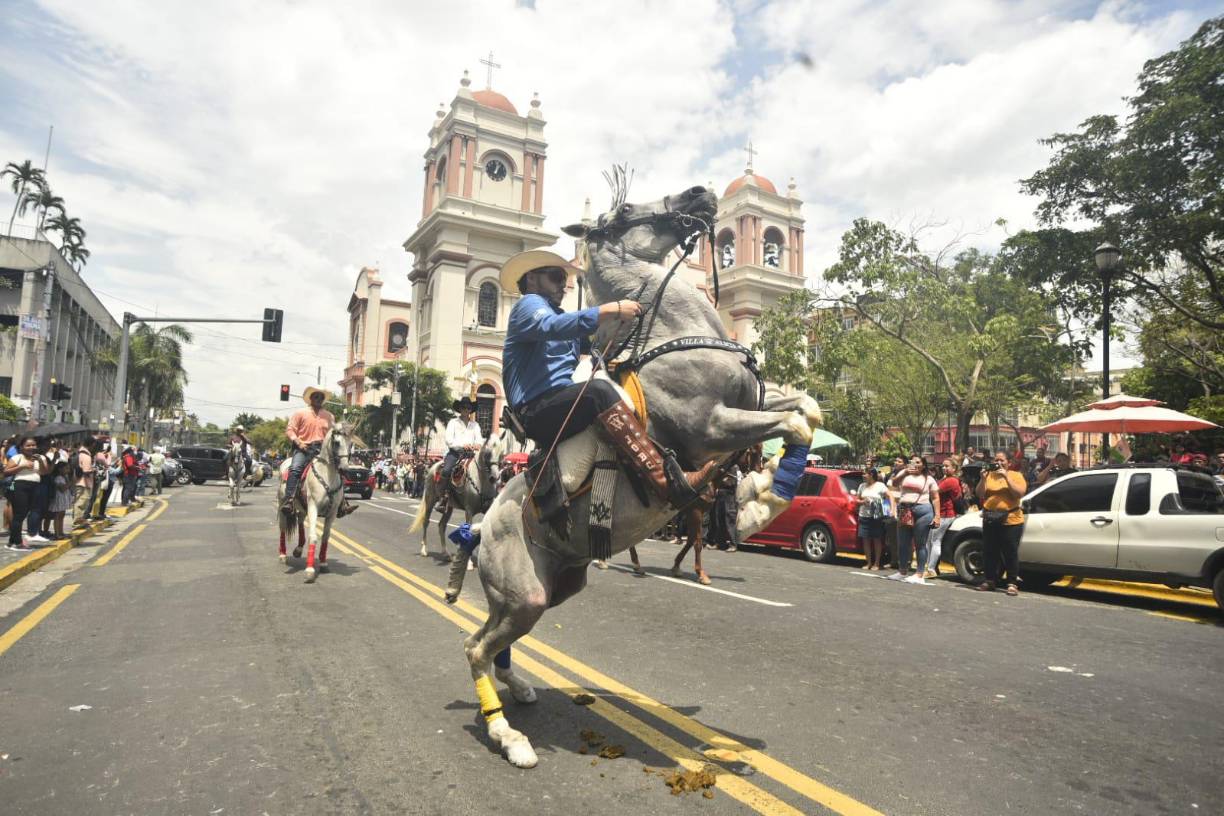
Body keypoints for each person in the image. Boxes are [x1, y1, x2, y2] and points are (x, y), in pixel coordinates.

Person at [500, 249, 713, 507]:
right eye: (556, 277)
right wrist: (610, 309)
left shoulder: (556, 314)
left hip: (558, 405)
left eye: (564, 279)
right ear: (532, 279)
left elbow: (591, 342)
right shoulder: (529, 305)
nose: (563, 285)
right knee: (599, 392)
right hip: (536, 410)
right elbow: (554, 328)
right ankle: (666, 483)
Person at [281, 386, 355, 517]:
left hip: (322, 449)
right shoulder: (300, 413)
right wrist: (299, 442)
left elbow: (334, 433)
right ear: (310, 399)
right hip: (303, 448)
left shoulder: (329, 416)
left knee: (339, 470)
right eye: (316, 397)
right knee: (295, 468)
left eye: (321, 397)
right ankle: (289, 500)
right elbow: (290, 430)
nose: (319, 399)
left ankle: (342, 502)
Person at [975, 450, 1027, 595]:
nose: (998, 462)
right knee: (990, 551)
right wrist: (982, 479)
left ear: (1009, 462)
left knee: (1010, 552)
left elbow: (1019, 493)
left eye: (1002, 460)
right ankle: (989, 580)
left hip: (1011, 520)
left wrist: (1006, 476)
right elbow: (980, 494)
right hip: (991, 518)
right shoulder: (989, 475)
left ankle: (1012, 583)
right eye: (996, 460)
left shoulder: (1016, 475)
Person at [888, 455, 940, 584]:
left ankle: (919, 574)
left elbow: (935, 498)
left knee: (920, 544)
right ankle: (902, 571)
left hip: (923, 511)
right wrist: (904, 472)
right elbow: (893, 484)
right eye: (912, 462)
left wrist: (937, 516)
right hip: (905, 510)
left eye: (918, 462)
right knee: (903, 543)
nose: (915, 464)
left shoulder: (929, 479)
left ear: (923, 465)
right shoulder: (904, 473)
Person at [5, 436, 48, 550]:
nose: (31, 447)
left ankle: (11, 541)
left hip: (35, 486)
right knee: (19, 514)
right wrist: (22, 466)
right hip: (20, 486)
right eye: (28, 445)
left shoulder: (40, 458)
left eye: (33, 445)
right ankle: (18, 543)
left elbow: (44, 472)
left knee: (26, 513)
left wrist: (40, 461)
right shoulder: (18, 457)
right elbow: (6, 472)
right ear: (22, 447)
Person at [925, 458, 963, 578]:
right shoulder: (945, 479)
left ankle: (931, 569)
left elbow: (933, 491)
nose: (944, 468)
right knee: (929, 541)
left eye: (947, 466)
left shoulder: (951, 481)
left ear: (954, 468)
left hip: (945, 515)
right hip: (939, 514)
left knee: (935, 541)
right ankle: (932, 567)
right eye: (943, 466)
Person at [440, 397, 483, 482]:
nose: (466, 410)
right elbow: (449, 440)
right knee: (446, 470)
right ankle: (443, 492)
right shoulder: (453, 422)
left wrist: (477, 445)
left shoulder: (475, 425)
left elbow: (479, 440)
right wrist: (463, 445)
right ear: (460, 409)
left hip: (471, 455)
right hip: (455, 454)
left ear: (471, 410)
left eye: (468, 408)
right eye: (464, 407)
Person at [854, 468, 888, 570]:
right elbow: (857, 499)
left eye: (865, 474)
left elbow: (889, 496)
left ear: (871, 475)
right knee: (866, 540)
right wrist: (862, 502)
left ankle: (876, 563)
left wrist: (888, 510)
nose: (863, 476)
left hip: (876, 517)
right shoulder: (862, 486)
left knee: (877, 540)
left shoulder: (880, 486)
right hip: (864, 516)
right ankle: (868, 562)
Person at [72, 438, 96, 529]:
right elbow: (86, 471)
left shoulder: (79, 453)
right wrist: (93, 470)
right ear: (91, 445)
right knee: (81, 503)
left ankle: (78, 520)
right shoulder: (86, 456)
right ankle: (77, 521)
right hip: (84, 483)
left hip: (78, 481)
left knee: (79, 502)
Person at [47, 460, 71, 539]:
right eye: (66, 468)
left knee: (62, 515)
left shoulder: (64, 477)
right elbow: (62, 489)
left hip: (63, 499)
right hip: (58, 499)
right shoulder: (58, 478)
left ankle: (61, 532)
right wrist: (71, 482)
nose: (68, 470)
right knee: (57, 516)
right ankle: (57, 533)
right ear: (60, 469)